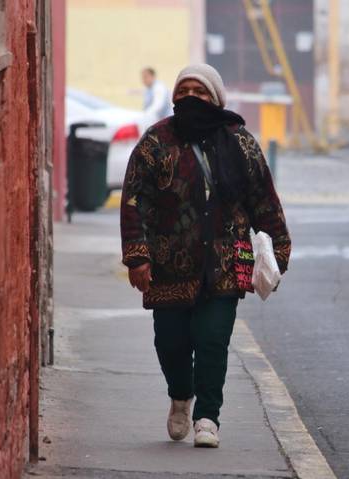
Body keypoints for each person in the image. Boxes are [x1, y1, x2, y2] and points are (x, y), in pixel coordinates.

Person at [120, 64, 291, 448]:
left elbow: (264, 200)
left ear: (215, 99)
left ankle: (207, 417)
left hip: (226, 264)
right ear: (175, 97)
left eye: (200, 91)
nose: (192, 98)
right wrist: (137, 256)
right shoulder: (155, 142)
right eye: (185, 91)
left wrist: (278, 252)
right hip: (168, 266)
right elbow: (134, 200)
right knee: (171, 342)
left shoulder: (241, 143)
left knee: (213, 340)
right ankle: (181, 396)